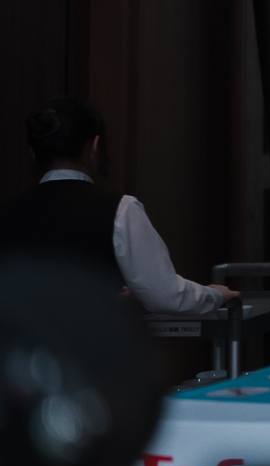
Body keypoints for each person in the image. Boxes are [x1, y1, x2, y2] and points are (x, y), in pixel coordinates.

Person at [1, 98, 237, 314]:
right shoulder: (120, 209)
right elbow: (164, 295)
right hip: (92, 343)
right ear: (94, 147)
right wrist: (214, 295)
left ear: (32, 153)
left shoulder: (10, 213)